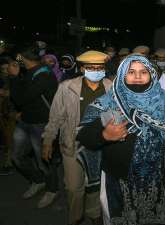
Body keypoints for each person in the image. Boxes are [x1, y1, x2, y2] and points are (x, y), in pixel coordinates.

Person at [76, 54, 165, 225]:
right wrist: (104, 136)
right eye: (131, 72)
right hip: (120, 180)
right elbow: (83, 134)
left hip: (158, 179)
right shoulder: (109, 102)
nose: (138, 77)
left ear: (152, 75)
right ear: (122, 74)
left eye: (143, 72)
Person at [41, 50, 112, 225]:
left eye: (100, 67)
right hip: (73, 142)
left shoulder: (111, 86)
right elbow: (56, 116)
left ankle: (94, 213)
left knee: (95, 184)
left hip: (101, 143)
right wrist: (48, 141)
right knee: (74, 187)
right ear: (82, 68)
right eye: (91, 67)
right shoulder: (67, 87)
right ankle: (75, 217)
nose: (96, 70)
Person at [9, 46, 59, 208]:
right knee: (17, 157)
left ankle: (52, 189)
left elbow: (21, 99)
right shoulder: (30, 72)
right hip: (25, 122)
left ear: (24, 59)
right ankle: (38, 181)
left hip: (41, 124)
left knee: (43, 160)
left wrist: (14, 77)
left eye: (20, 59)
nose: (18, 62)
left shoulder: (44, 74)